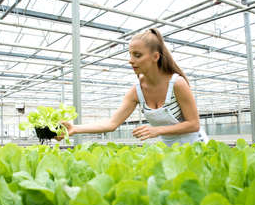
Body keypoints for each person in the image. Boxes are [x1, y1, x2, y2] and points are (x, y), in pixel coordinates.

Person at [61, 28, 208, 146]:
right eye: (130, 55)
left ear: (155, 57)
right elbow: (112, 123)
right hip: (172, 151)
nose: (131, 61)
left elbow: (194, 124)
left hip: (196, 146)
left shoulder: (177, 83)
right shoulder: (137, 91)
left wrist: (157, 130)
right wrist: (74, 129)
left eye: (137, 55)